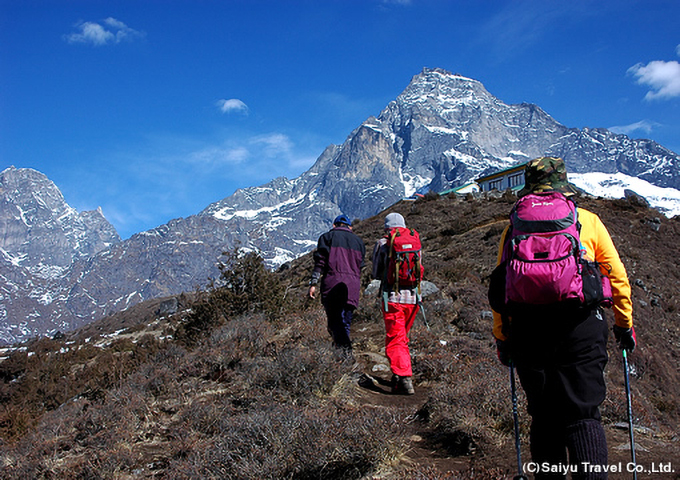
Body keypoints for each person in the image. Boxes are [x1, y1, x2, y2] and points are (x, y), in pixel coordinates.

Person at [491, 157, 636, 480]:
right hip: (581, 328)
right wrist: (623, 324)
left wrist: (503, 338)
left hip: (528, 331)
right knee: (583, 413)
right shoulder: (587, 221)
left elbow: (501, 287)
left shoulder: (513, 227)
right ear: (563, 187)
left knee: (543, 416)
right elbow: (618, 277)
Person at [372, 212, 422, 395]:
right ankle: (398, 376)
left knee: (395, 339)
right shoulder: (415, 241)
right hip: (414, 299)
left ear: (387, 227)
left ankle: (404, 377)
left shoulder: (383, 243)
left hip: (392, 298)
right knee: (402, 337)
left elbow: (376, 272)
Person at [309, 214, 366, 357]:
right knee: (345, 321)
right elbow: (361, 265)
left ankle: (345, 354)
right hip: (352, 287)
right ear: (350, 227)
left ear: (334, 225)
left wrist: (313, 283)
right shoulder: (359, 242)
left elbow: (320, 262)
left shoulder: (326, 238)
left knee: (334, 322)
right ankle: (341, 354)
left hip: (332, 285)